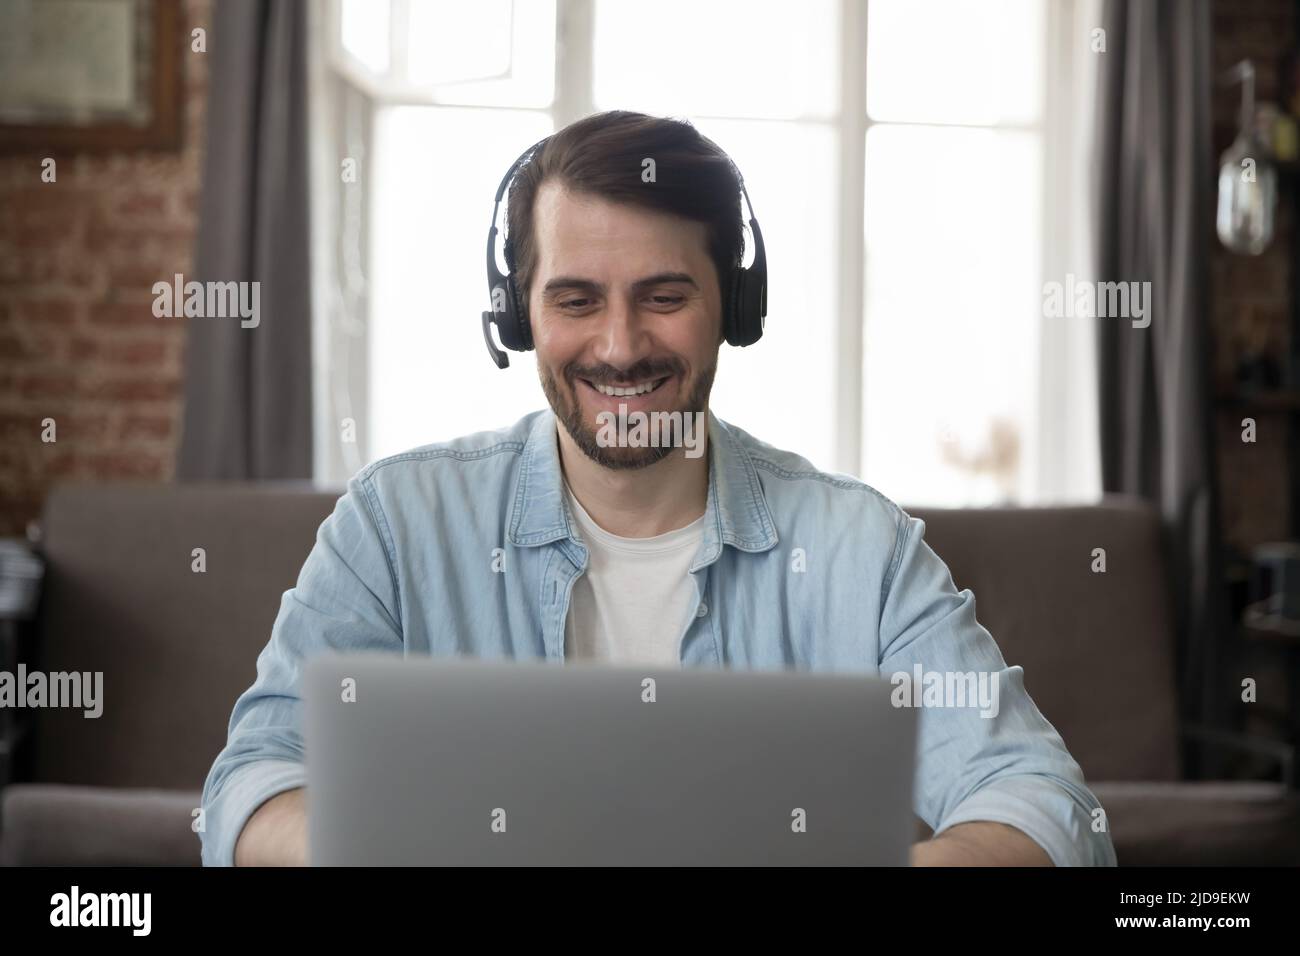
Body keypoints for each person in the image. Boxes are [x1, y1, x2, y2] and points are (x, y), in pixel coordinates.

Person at [200, 110, 1116, 867]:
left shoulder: (858, 549)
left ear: (735, 309)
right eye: (577, 300)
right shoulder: (395, 527)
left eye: (665, 295)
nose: (620, 345)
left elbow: (1044, 806)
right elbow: (250, 786)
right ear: (519, 315)